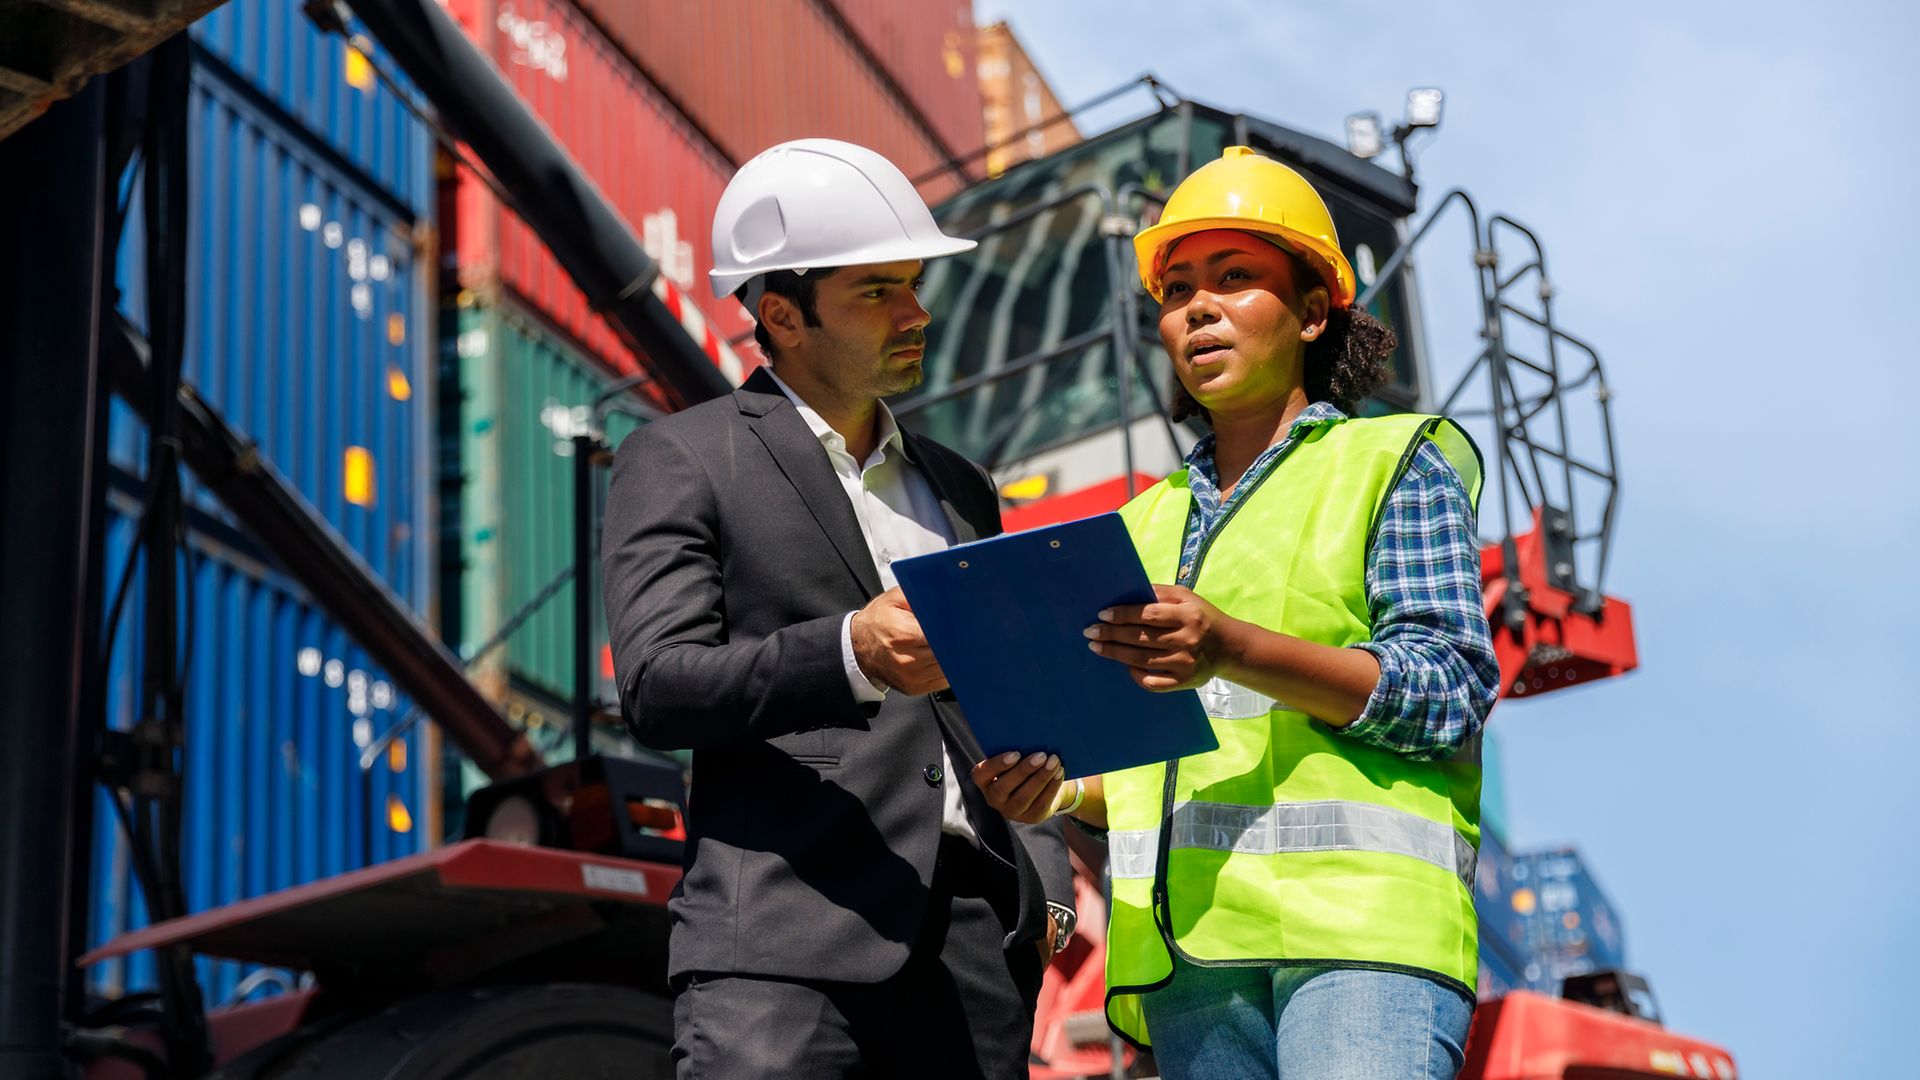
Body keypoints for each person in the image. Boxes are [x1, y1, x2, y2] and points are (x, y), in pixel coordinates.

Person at [971, 146, 1501, 1080]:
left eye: (1233, 278)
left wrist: (1232, 646)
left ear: (1313, 311)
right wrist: (1061, 792)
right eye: (1177, 290)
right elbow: (1150, 767)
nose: (1198, 308)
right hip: (1193, 964)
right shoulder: (1138, 527)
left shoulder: (1390, 463)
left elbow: (1447, 693)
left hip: (1361, 942)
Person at [602, 138, 1076, 1080]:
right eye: (878, 291)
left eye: (914, 285)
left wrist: (1044, 865)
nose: (917, 313)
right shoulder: (682, 457)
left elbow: (1005, 700)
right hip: (783, 944)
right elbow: (656, 686)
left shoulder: (963, 486)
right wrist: (853, 651)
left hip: (975, 953)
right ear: (781, 314)